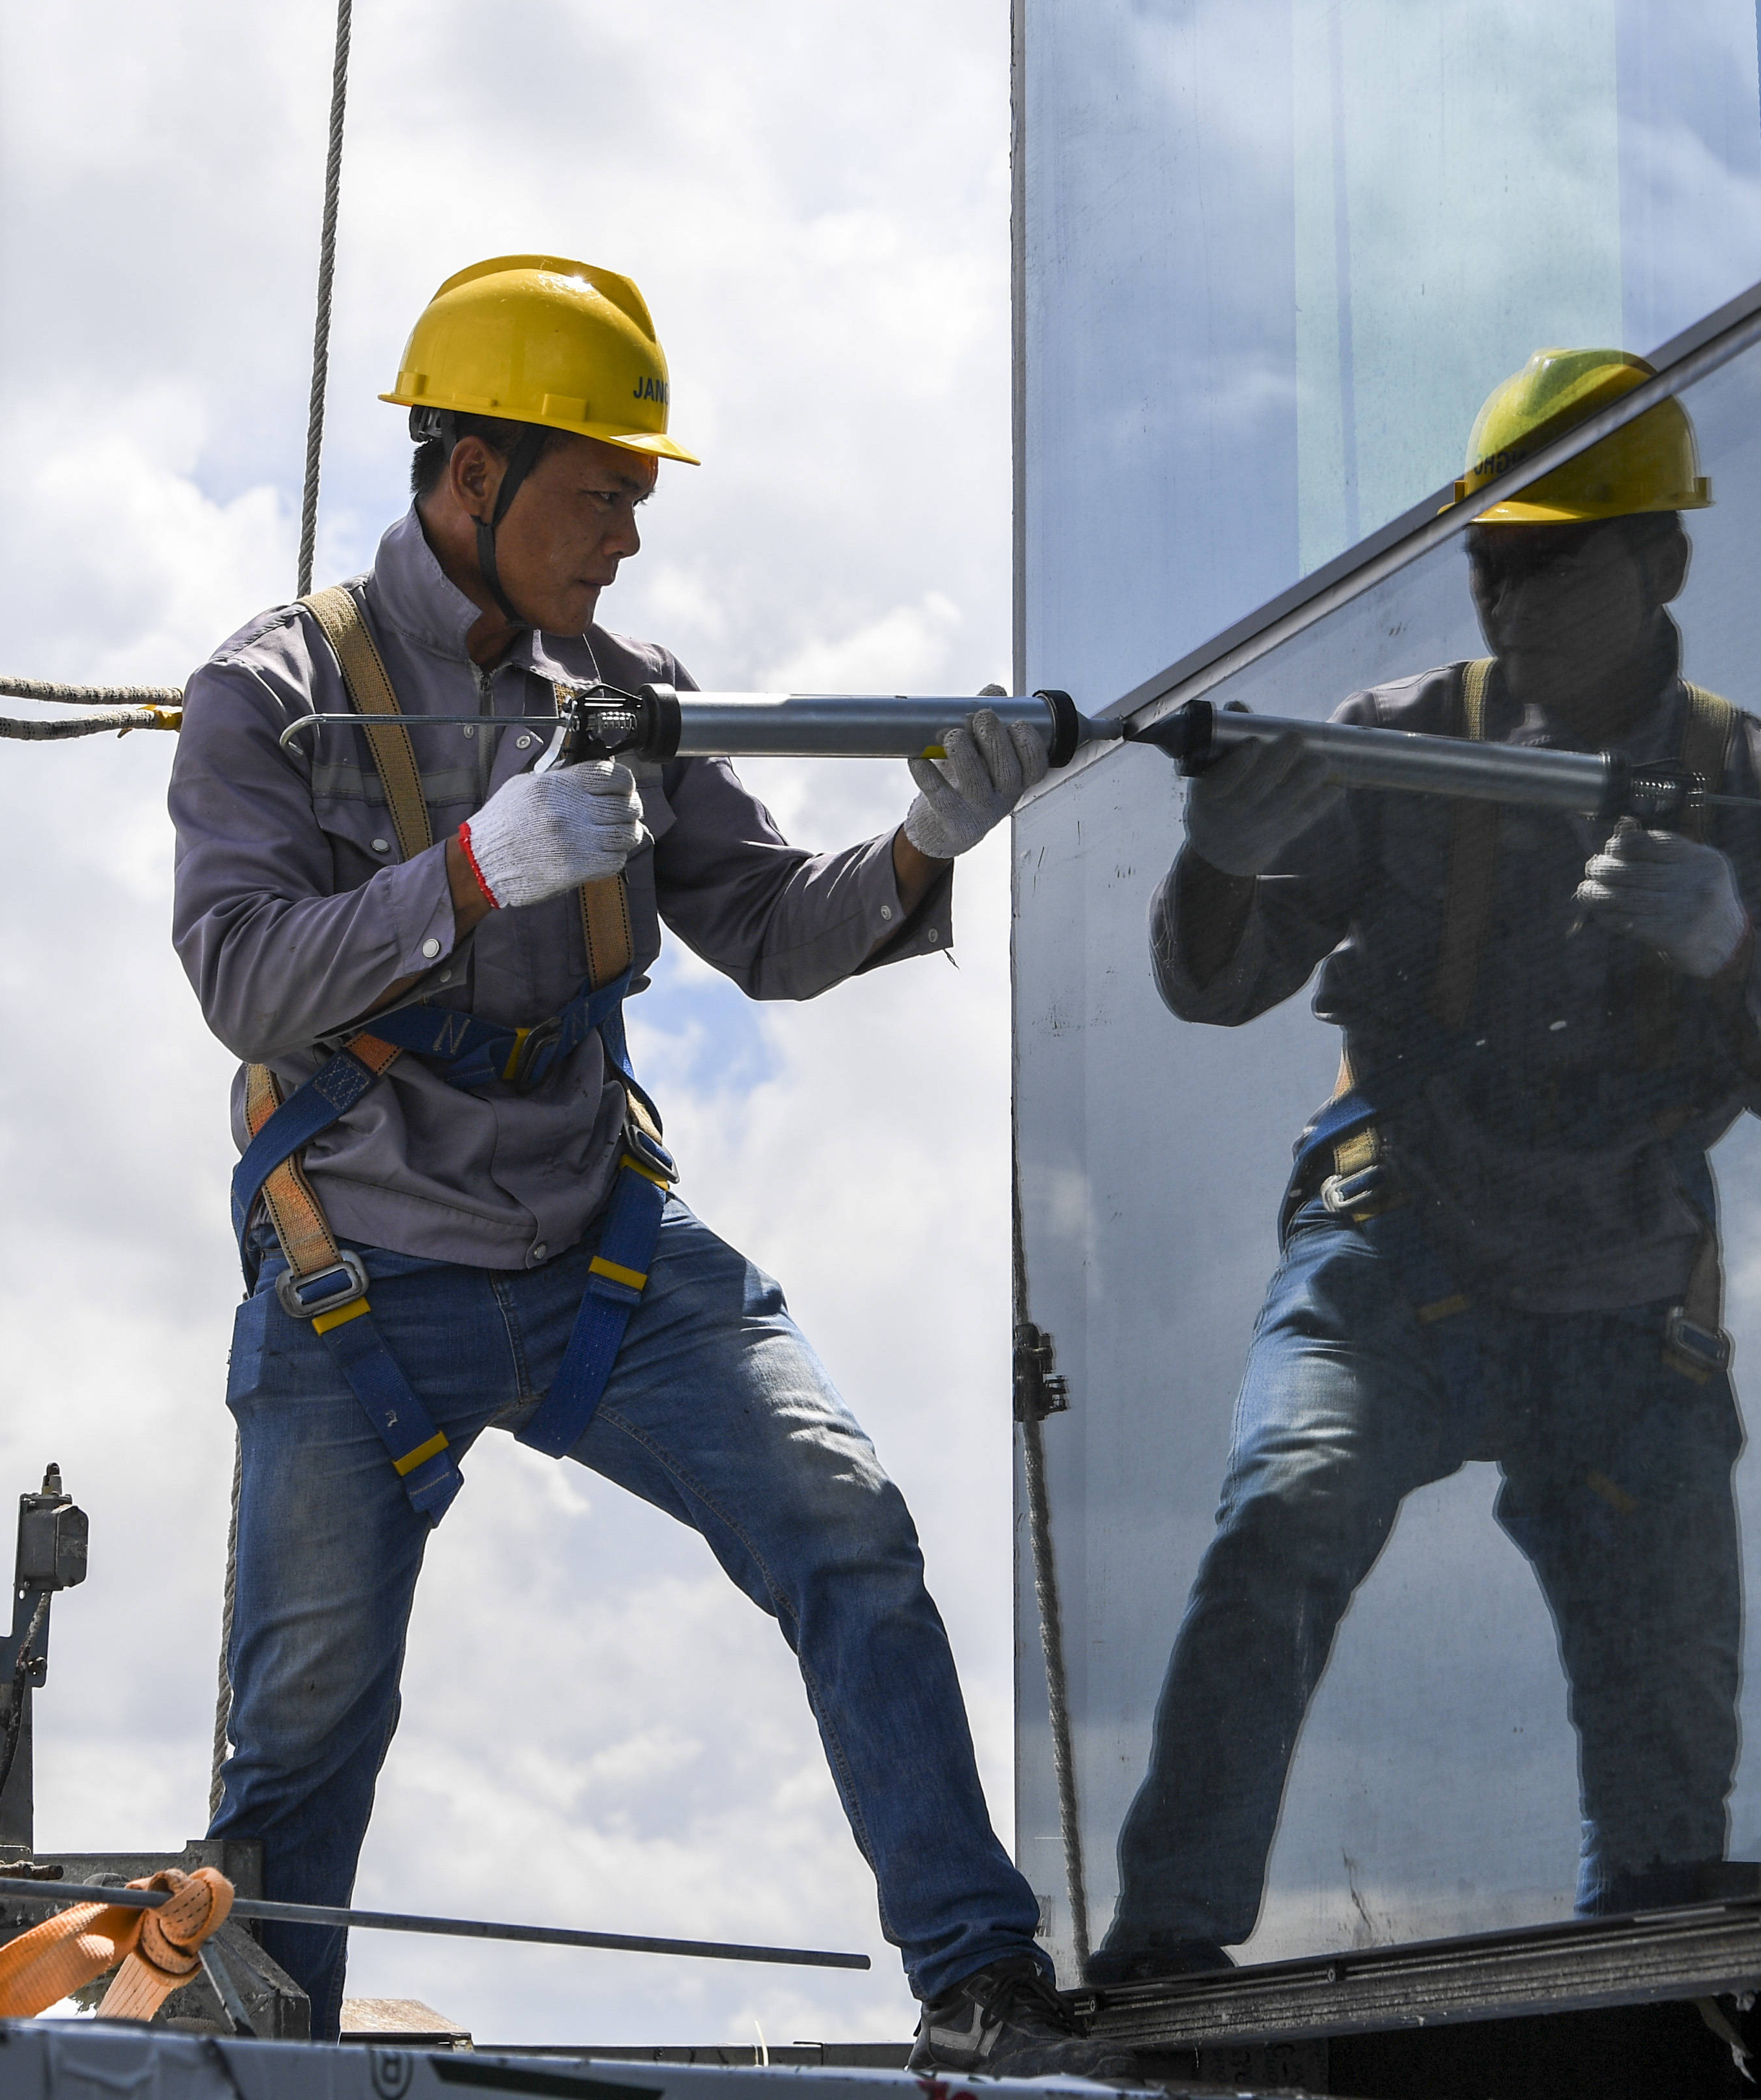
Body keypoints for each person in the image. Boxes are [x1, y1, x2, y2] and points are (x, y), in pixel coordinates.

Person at [171, 254, 1120, 2077]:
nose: (626, 539)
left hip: (601, 1259)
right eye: (602, 491)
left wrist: (927, 841)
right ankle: (268, 2068)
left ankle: (979, 1974)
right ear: (472, 479)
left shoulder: (629, 689)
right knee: (300, 1731)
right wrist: (472, 870)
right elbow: (243, 980)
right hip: (359, 1265)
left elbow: (771, 932)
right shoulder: (276, 694)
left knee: (845, 1530)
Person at [1083, 349, 1761, 1984]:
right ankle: (1166, 1947)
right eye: (1490, 563)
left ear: (1661, 563)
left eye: (1549, 561)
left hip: (1627, 1285)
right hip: (1404, 1250)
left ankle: (1648, 1992)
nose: (1510, 602)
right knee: (1286, 1509)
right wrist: (1217, 860)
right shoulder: (1400, 746)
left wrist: (1730, 947)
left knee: (1671, 1707)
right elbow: (1216, 983)